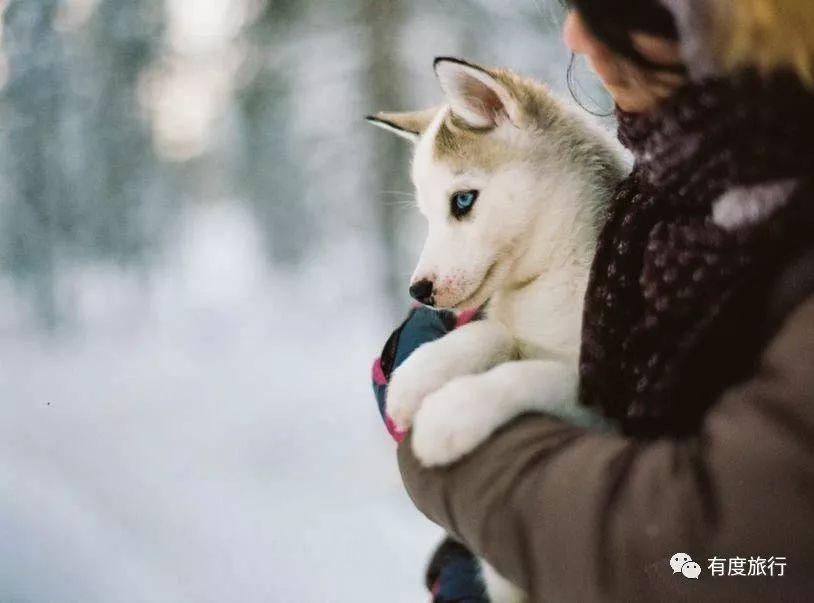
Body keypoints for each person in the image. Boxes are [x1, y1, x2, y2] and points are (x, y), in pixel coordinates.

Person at [372, 0, 814, 600]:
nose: (575, 32)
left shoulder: (759, 243)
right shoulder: (661, 204)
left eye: (620, 6)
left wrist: (467, 455)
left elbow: (718, 558)